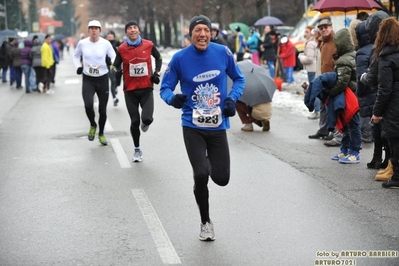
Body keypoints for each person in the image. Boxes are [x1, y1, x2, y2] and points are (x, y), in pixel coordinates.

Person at [159, 15, 245, 241]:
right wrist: (173, 99)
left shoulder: (223, 53)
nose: (203, 34)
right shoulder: (179, 59)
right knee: (200, 175)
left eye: (206, 30)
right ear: (190, 33)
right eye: (198, 30)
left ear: (212, 33)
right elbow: (165, 87)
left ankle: (206, 163)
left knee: (222, 178)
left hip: (217, 126)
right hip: (192, 125)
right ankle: (206, 223)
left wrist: (231, 100)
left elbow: (239, 79)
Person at [111, 20, 162, 162]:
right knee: (134, 121)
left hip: (146, 88)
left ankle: (145, 122)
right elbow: (114, 66)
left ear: (138, 30)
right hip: (130, 90)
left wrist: (156, 73)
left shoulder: (149, 44)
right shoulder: (121, 49)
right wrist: (116, 72)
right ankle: (137, 149)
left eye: (135, 28)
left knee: (146, 119)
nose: (132, 30)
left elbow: (159, 57)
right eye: (129, 28)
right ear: (126, 32)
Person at [73, 20, 116, 145]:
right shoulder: (82, 43)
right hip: (88, 79)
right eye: (91, 28)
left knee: (102, 110)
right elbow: (76, 56)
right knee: (88, 105)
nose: (93, 30)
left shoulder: (106, 43)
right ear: (88, 30)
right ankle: (93, 124)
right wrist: (78, 67)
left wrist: (113, 66)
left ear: (99, 30)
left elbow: (113, 56)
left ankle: (101, 133)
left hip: (102, 79)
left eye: (96, 28)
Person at [360, 11, 391, 179]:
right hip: (385, 94)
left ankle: (392, 167)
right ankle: (389, 164)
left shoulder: (379, 51)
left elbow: (373, 75)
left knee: (387, 132)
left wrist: (364, 77)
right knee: (385, 131)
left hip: (384, 94)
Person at [371, 17, 399, 188]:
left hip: (394, 104)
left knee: (395, 139)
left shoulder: (386, 58)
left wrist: (377, 112)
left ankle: (397, 177)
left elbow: (384, 89)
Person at [328, 28, 361, 164]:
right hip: (354, 95)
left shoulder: (344, 61)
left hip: (349, 97)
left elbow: (341, 82)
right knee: (348, 124)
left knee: (352, 124)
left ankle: (354, 152)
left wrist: (331, 92)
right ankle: (345, 149)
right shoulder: (354, 55)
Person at [308, 19, 336, 142]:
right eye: (321, 28)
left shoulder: (335, 42)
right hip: (322, 78)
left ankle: (333, 130)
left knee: (331, 107)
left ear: (331, 27)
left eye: (326, 27)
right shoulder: (323, 43)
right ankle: (323, 129)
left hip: (331, 79)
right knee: (322, 106)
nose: (324, 29)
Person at [298, 26, 319, 119]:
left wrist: (301, 57)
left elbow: (309, 59)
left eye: (307, 32)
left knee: (315, 90)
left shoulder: (310, 43)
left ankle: (317, 110)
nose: (305, 34)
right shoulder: (315, 42)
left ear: (312, 32)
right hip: (316, 68)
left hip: (312, 69)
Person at [106, 30, 121, 106]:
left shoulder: (117, 43)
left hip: (118, 65)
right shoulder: (105, 43)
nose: (109, 37)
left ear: (114, 36)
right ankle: (114, 98)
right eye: (108, 36)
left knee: (118, 82)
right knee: (113, 80)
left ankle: (115, 88)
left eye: (111, 36)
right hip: (108, 65)